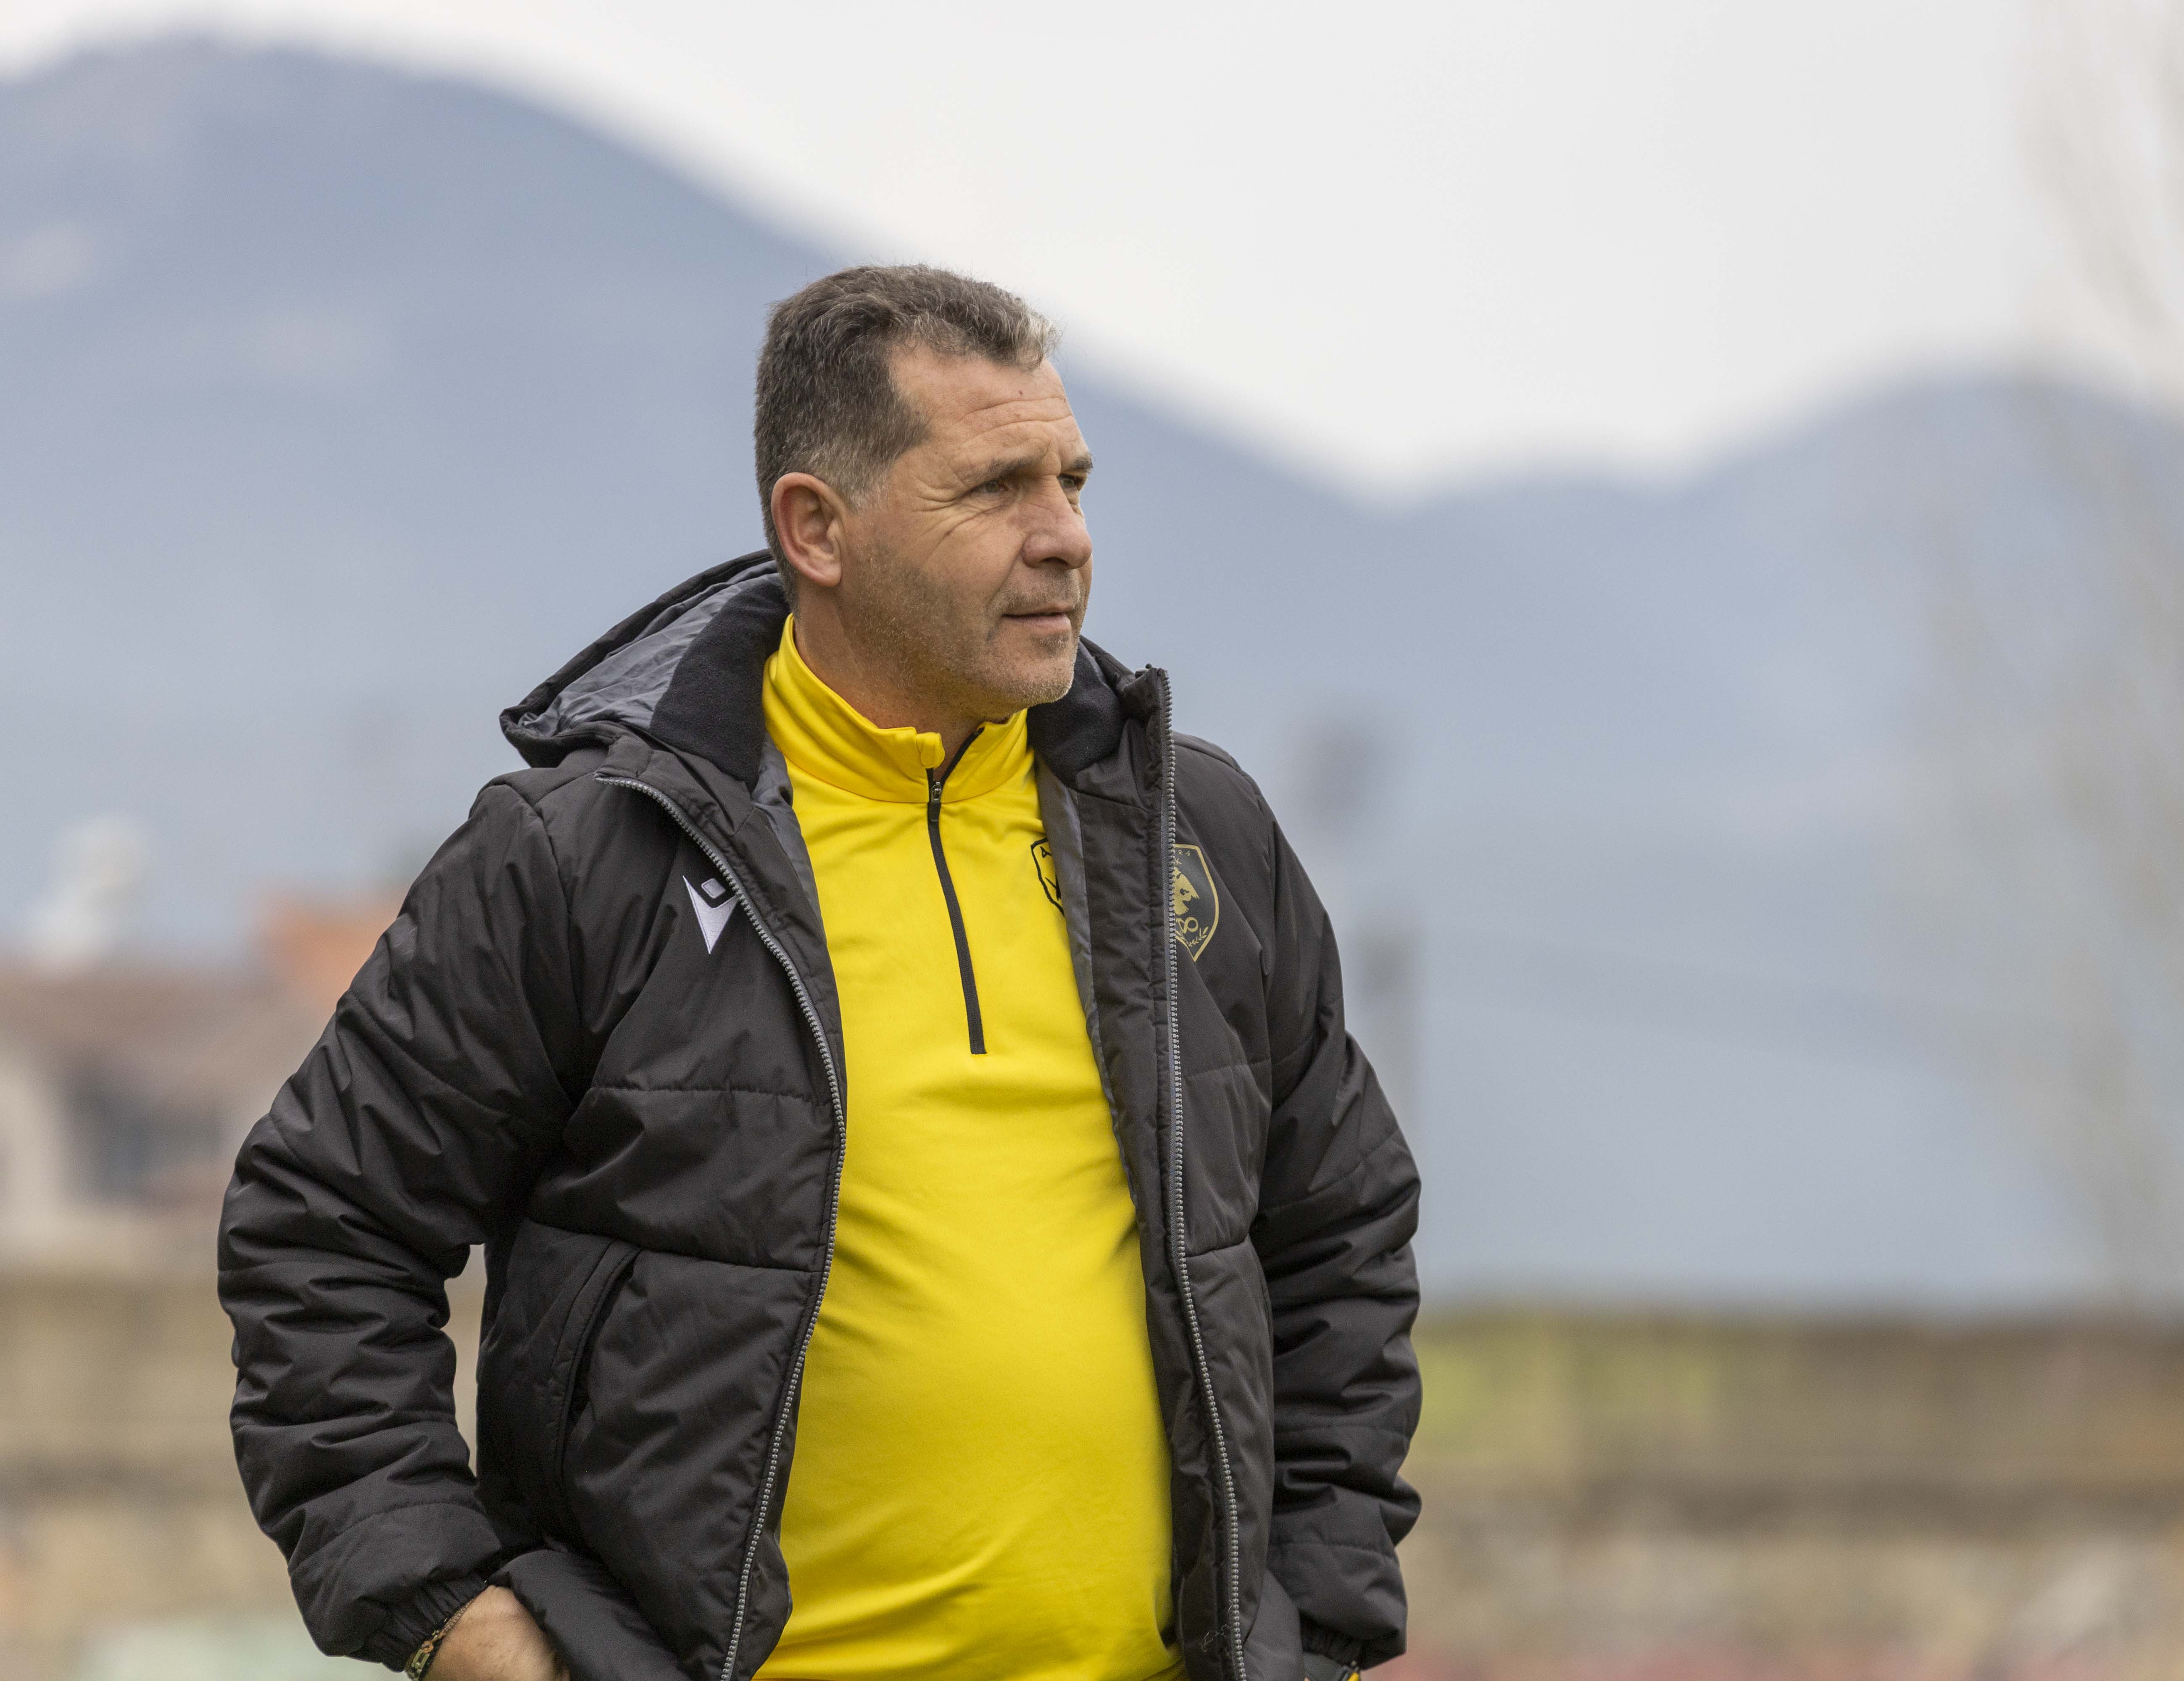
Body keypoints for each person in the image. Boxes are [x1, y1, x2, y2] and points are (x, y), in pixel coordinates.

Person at [217, 265, 1422, 1681]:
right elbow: (324, 1229)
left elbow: (1341, 1231)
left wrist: (1315, 1622)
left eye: (1073, 481)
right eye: (996, 489)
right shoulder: (589, 855)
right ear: (818, 528)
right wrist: (452, 1616)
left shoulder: (1197, 833)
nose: (1065, 538)